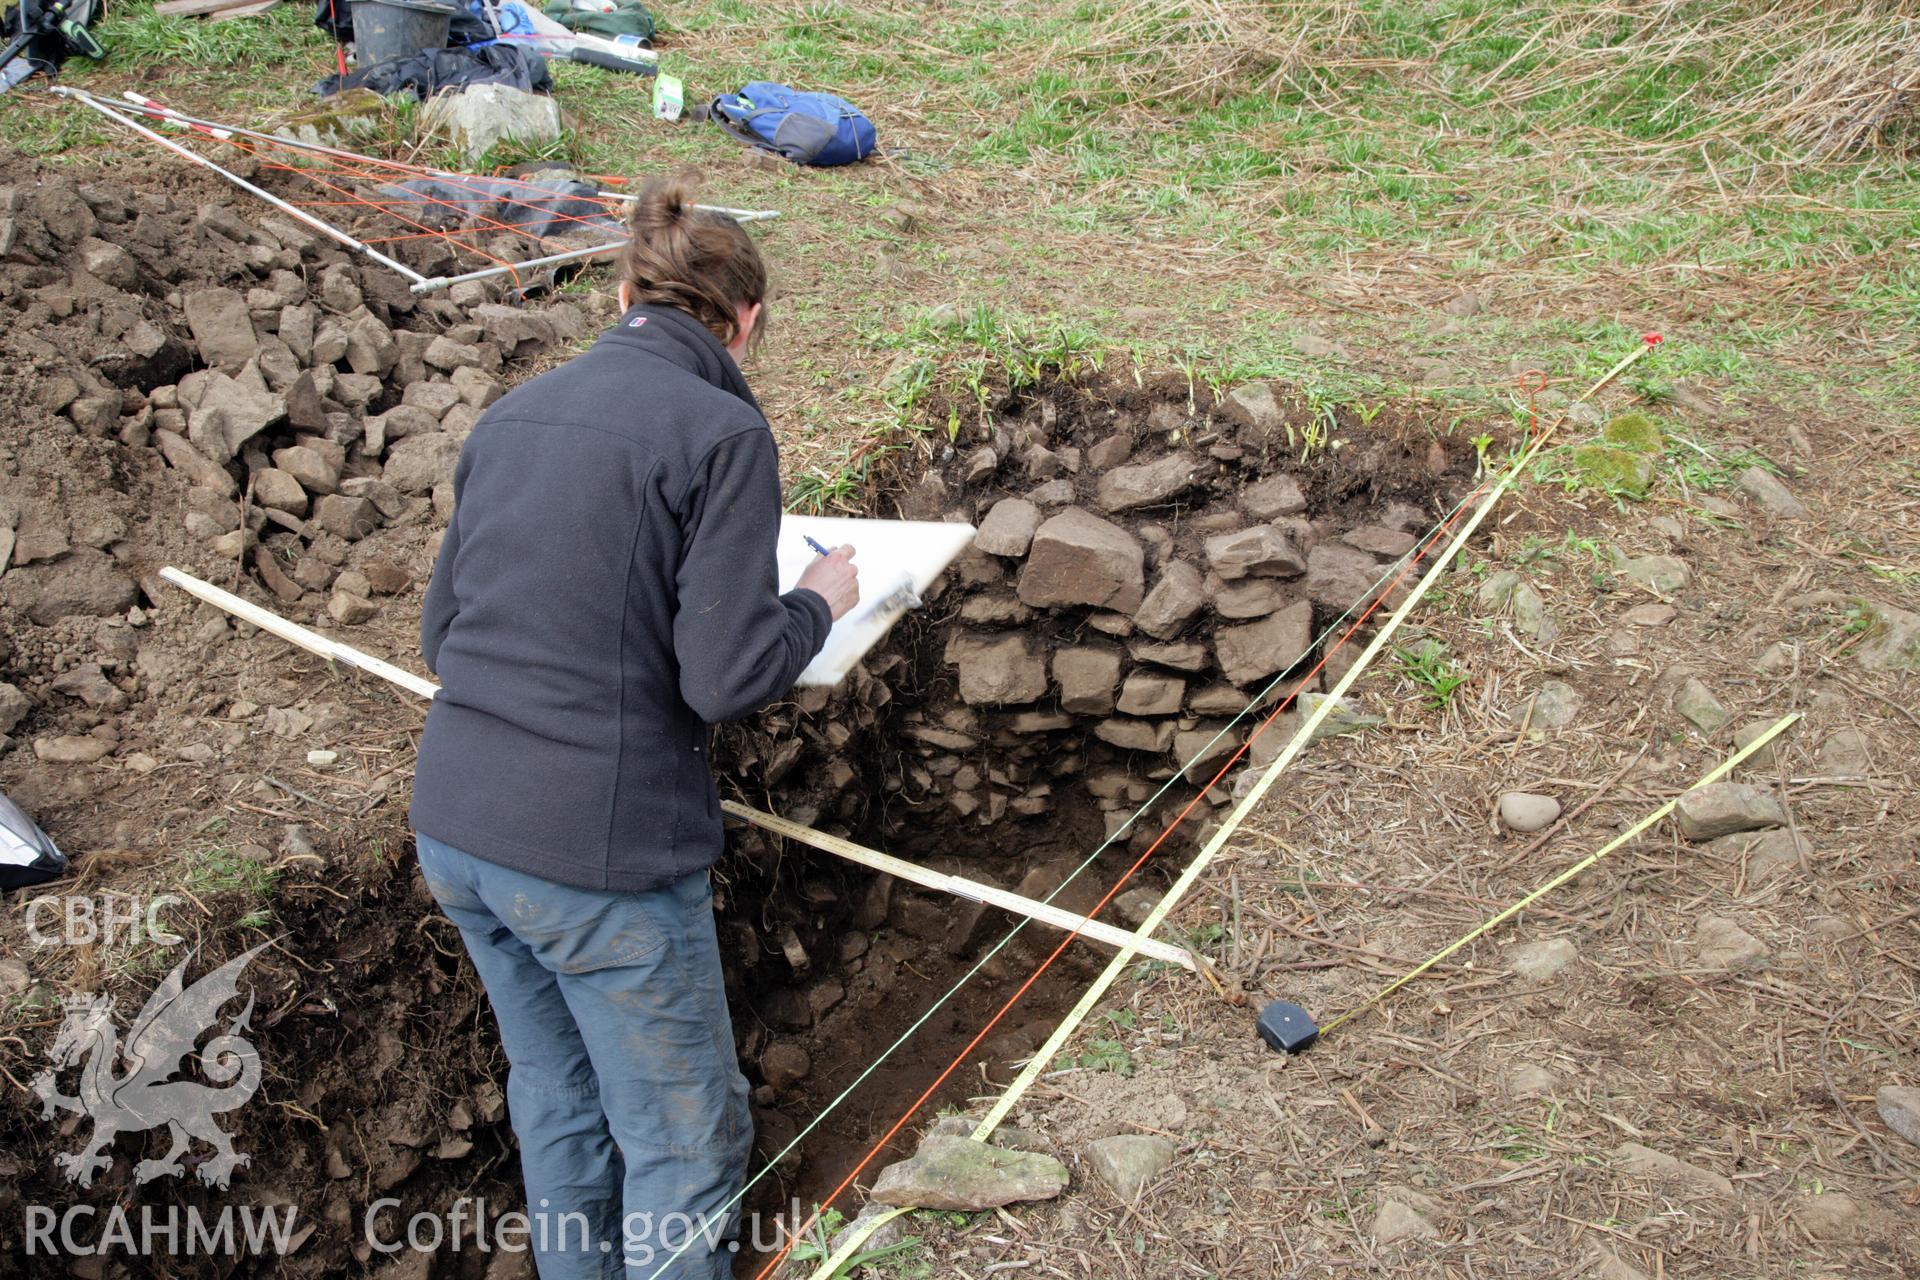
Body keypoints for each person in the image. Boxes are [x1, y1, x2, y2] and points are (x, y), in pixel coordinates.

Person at [408, 174, 859, 1279]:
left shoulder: (511, 415)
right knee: (685, 1137)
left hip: (460, 827)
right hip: (597, 858)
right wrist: (822, 601)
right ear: (745, 322)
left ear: (621, 297)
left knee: (558, 1096)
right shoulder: (722, 432)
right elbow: (725, 674)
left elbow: (440, 634)